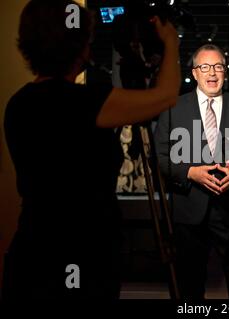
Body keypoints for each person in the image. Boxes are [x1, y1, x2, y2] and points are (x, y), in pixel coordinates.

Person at [2, 0, 180, 299]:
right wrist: (171, 43)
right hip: (82, 256)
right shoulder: (86, 102)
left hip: (33, 254)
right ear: (78, 47)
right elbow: (165, 96)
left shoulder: (18, 104)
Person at [154, 44, 229, 299]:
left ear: (225, 72)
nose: (212, 73)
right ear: (195, 72)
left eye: (218, 67)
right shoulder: (172, 107)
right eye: (205, 67)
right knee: (189, 287)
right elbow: (159, 158)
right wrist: (190, 173)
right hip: (188, 213)